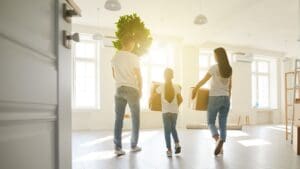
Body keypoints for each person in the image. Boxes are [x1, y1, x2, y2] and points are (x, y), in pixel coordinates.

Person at [192, 47, 232, 156]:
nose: (214, 57)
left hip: (215, 98)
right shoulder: (229, 69)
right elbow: (230, 86)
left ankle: (218, 139)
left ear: (218, 56)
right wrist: (228, 97)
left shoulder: (214, 68)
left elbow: (204, 80)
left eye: (214, 55)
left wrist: (195, 89)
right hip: (226, 98)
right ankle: (222, 141)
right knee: (223, 123)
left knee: (210, 122)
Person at [111, 36, 142, 156]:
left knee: (118, 119)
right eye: (133, 44)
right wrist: (141, 89)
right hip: (132, 89)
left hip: (119, 89)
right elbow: (139, 76)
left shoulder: (115, 57)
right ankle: (133, 146)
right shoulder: (133, 57)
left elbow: (114, 75)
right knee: (135, 119)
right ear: (130, 43)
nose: (133, 46)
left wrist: (121, 81)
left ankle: (117, 148)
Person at [152, 68, 183, 157]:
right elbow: (181, 99)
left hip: (165, 111)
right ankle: (177, 145)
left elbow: (154, 97)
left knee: (167, 131)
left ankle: (169, 150)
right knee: (173, 128)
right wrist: (176, 107)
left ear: (164, 76)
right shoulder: (177, 86)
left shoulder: (161, 87)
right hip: (174, 111)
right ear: (172, 76)